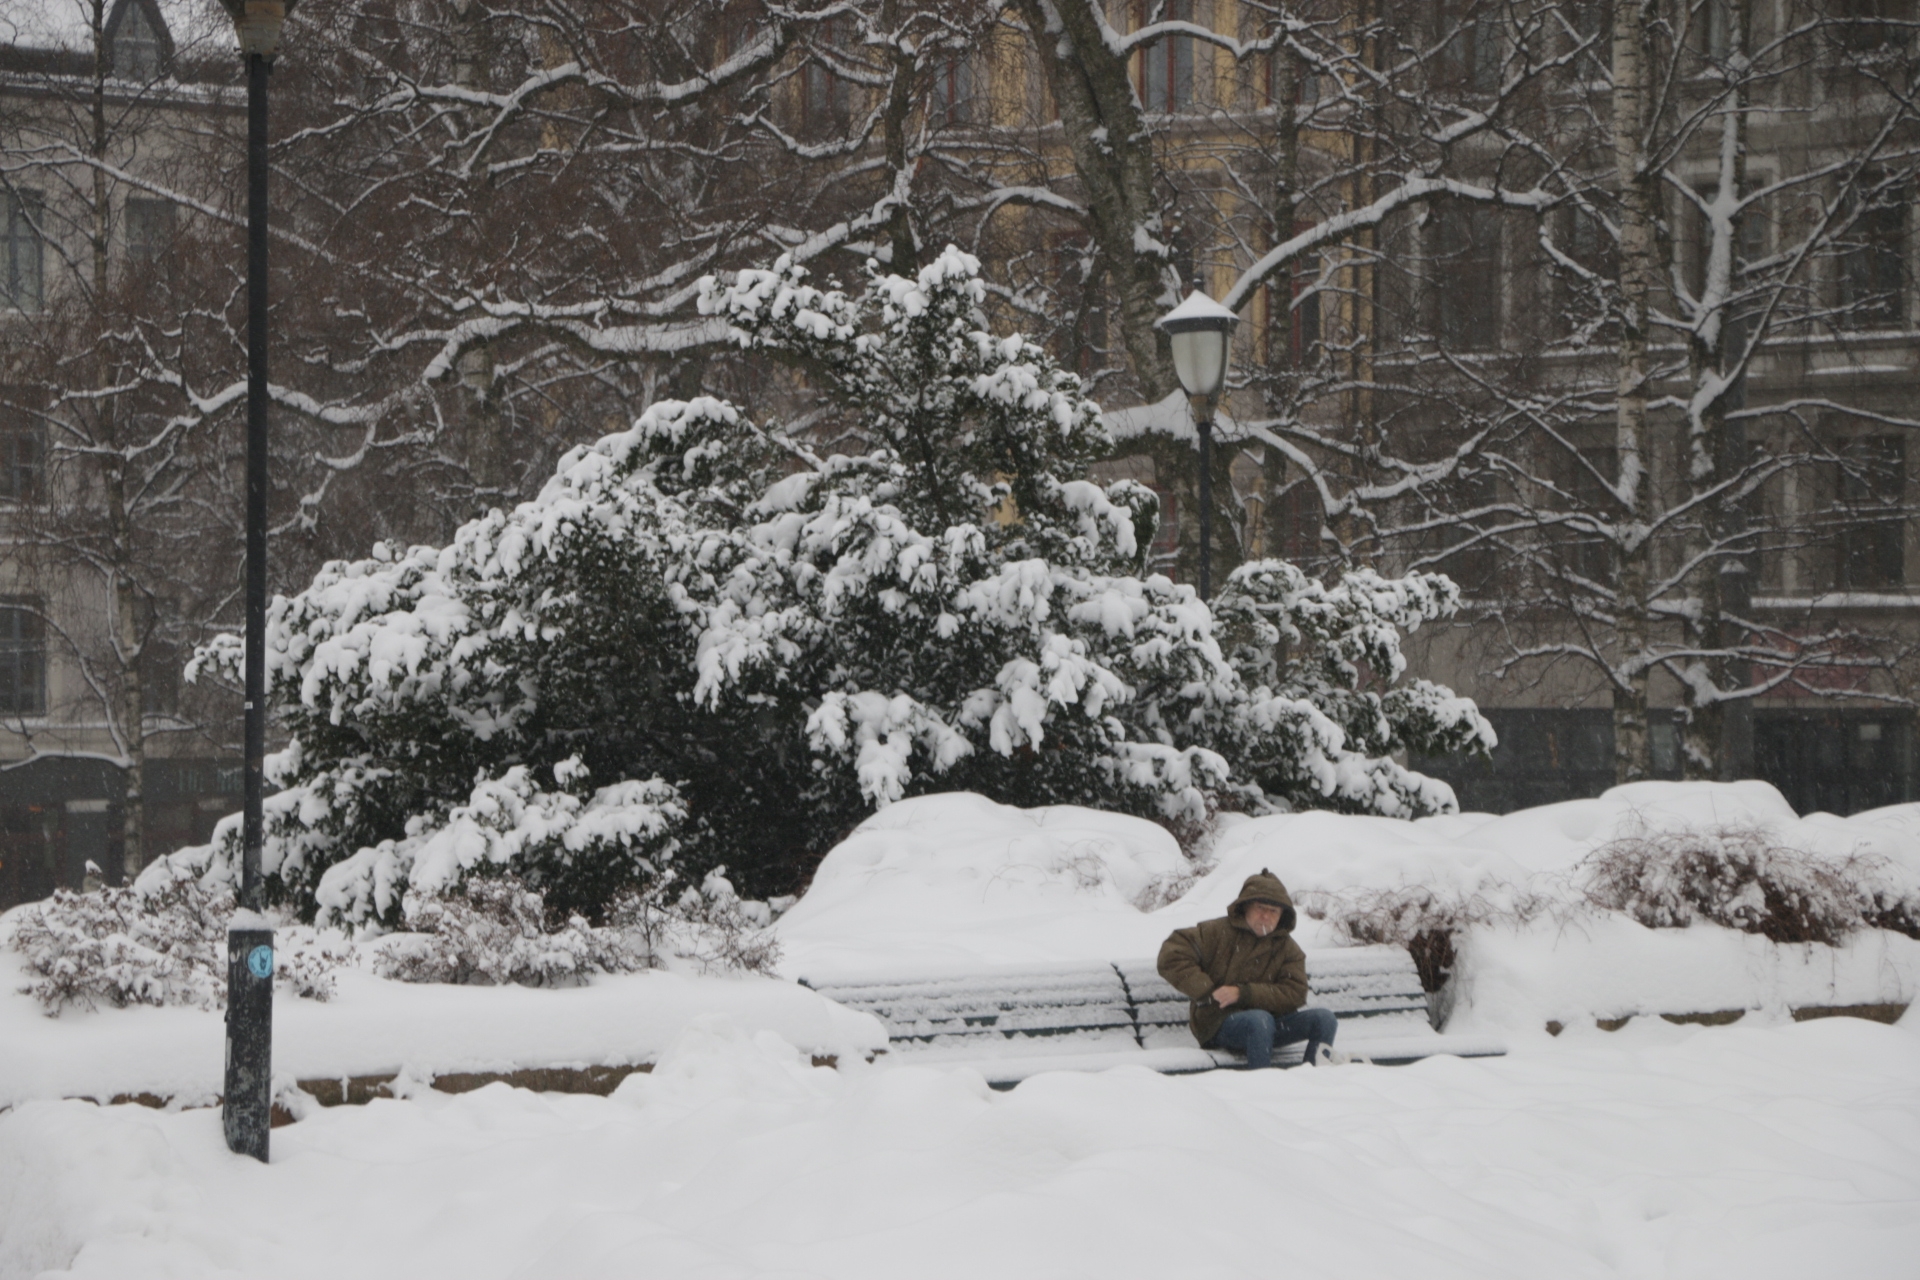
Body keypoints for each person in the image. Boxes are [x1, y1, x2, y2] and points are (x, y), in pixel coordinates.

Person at [1156, 869, 1342, 1068]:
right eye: (1260, 907)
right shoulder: (1216, 932)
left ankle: (1315, 1078)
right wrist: (1207, 991)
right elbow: (1172, 954)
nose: (1266, 916)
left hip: (1273, 1025)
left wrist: (1244, 994)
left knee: (1324, 1019)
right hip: (1219, 1024)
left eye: (1273, 911)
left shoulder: (1288, 949)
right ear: (1245, 907)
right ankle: (1259, 1088)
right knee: (1259, 1020)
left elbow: (1295, 993)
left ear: (1282, 916)